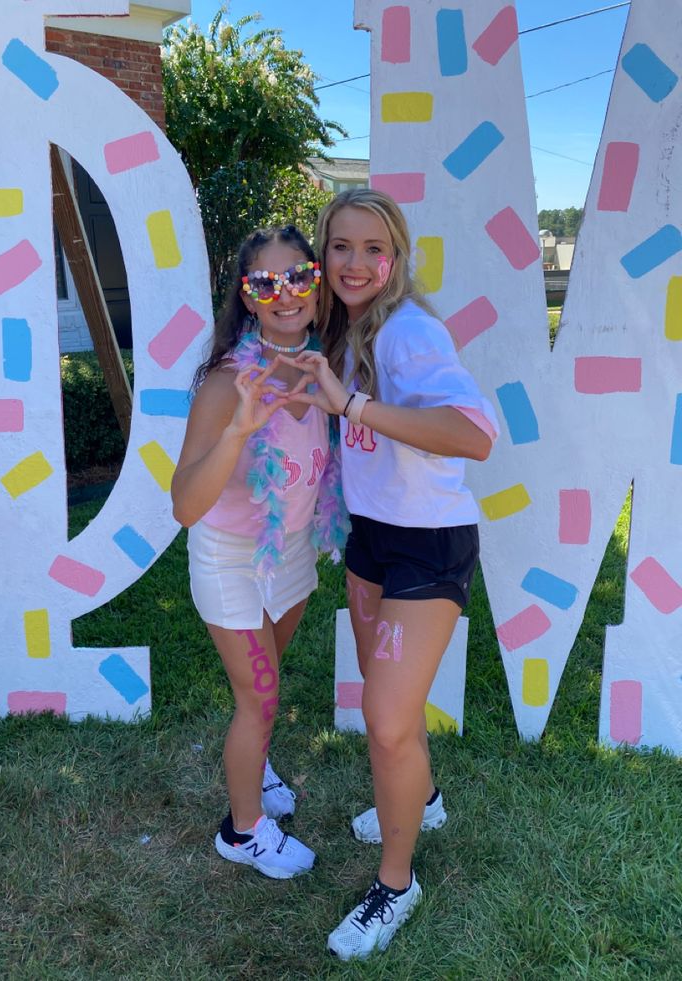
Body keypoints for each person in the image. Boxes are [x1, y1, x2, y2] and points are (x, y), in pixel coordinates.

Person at [281, 189, 498, 958]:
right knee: (391, 713)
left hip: (426, 546)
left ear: (396, 257)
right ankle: (424, 801)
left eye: (374, 248)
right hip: (373, 538)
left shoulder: (409, 333)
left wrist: (357, 407)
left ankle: (396, 885)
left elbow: (474, 434)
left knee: (386, 721)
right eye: (341, 246)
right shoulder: (346, 330)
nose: (356, 262)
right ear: (323, 254)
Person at [171, 225, 346, 881]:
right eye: (263, 282)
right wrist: (240, 429)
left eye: (297, 275)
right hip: (230, 556)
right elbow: (185, 504)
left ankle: (259, 762)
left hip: (292, 550)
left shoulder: (324, 360)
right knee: (261, 695)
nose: (284, 293)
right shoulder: (226, 385)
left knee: (266, 682)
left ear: (315, 282)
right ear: (246, 297)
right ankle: (242, 832)